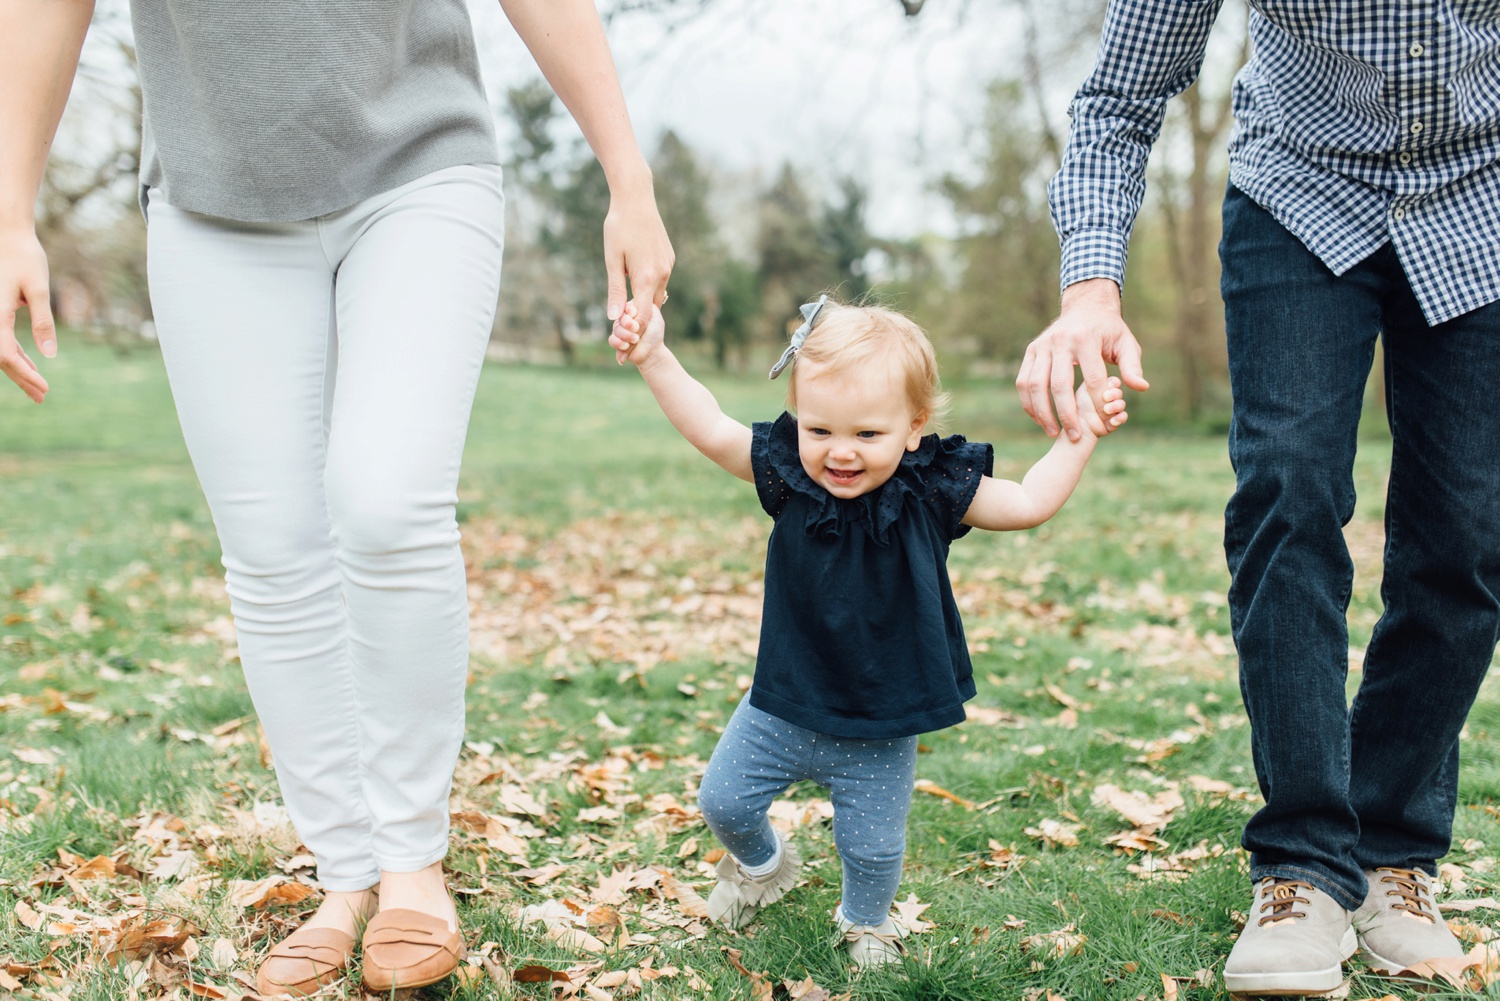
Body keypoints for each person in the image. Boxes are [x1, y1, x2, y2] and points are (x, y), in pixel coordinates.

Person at [0, 1, 672, 994]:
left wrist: (628, 174)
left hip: (420, 168)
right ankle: (347, 872)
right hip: (210, 197)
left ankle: (411, 861)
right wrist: (11, 208)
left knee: (386, 499)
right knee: (270, 545)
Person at [1029, 0, 1500, 994]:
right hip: (1300, 194)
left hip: (1483, 195)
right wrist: (1090, 288)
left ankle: (1393, 853)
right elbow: (1119, 94)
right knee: (1288, 490)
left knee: (1467, 532)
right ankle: (1301, 866)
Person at [608, 294, 1127, 966]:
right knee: (724, 800)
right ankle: (764, 868)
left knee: (873, 846)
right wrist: (652, 354)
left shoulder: (931, 488)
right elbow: (709, 425)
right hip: (783, 703)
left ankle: (865, 921)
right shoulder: (789, 475)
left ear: (913, 427)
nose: (841, 452)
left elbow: (1028, 501)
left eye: (867, 435)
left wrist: (1077, 435)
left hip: (883, 716)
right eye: (820, 430)